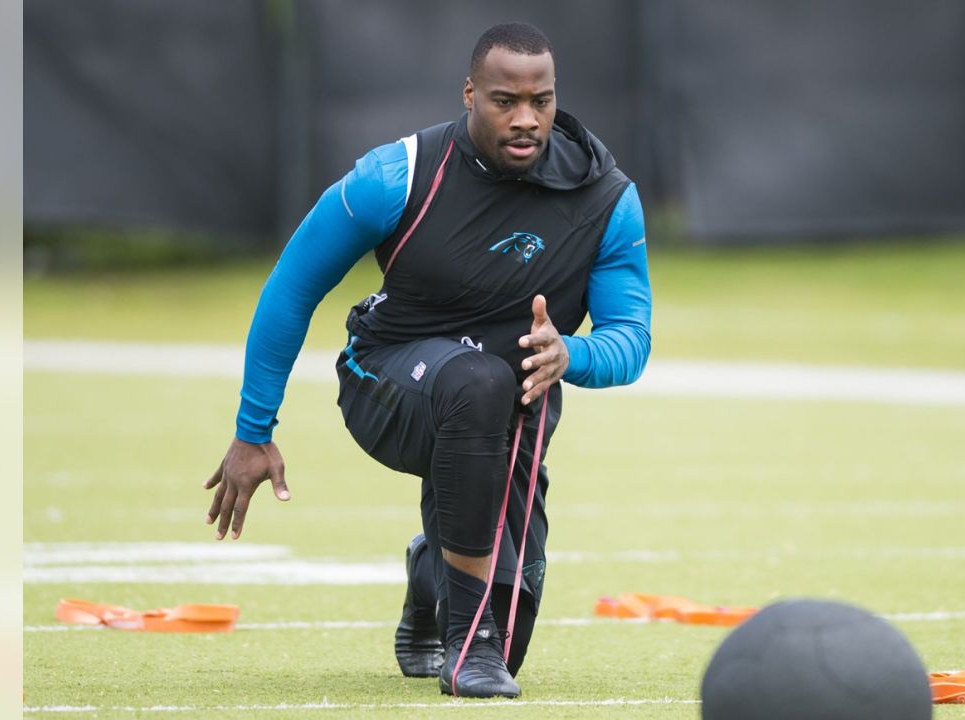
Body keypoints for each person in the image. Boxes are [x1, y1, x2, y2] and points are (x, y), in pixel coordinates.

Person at [202, 22, 651, 699]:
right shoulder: (396, 175)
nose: (526, 119)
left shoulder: (607, 199)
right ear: (470, 94)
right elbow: (291, 290)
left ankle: (432, 574)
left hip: (510, 417)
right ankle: (468, 646)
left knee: (516, 630)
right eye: (504, 100)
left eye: (542, 100)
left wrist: (573, 352)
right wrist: (252, 429)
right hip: (386, 383)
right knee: (477, 379)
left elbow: (631, 338)